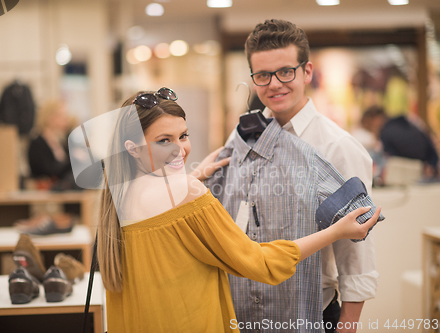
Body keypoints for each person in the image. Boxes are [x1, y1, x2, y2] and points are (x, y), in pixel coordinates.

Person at [94, 88, 381, 333]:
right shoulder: (187, 193)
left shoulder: (119, 196)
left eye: (183, 136)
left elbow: (162, 229)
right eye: (163, 140)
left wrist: (193, 177)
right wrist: (335, 232)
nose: (180, 150)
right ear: (132, 149)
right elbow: (260, 262)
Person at [202, 19, 378, 333]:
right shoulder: (242, 136)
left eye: (286, 71)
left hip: (310, 313)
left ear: (306, 71)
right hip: (245, 311)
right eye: (263, 75)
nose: (274, 84)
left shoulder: (336, 147)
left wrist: (347, 326)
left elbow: (356, 249)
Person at [27, 100, 79, 191]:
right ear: (50, 117)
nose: (66, 119)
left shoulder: (61, 141)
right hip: (47, 188)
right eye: (62, 115)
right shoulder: (37, 143)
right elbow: (48, 171)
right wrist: (74, 159)